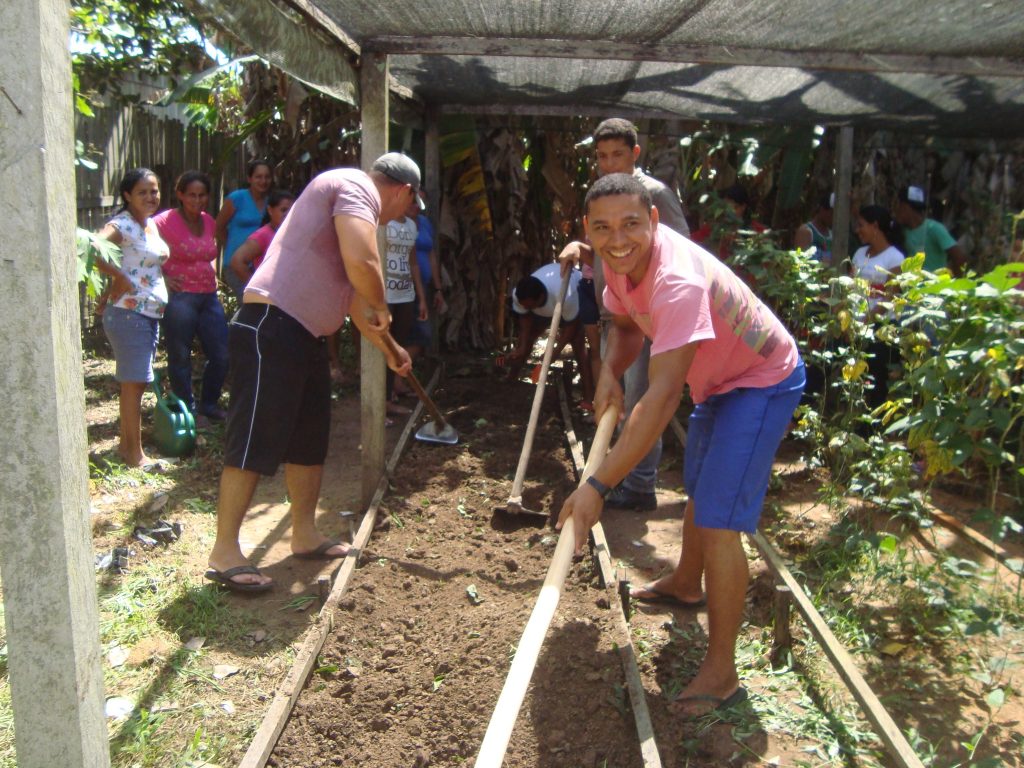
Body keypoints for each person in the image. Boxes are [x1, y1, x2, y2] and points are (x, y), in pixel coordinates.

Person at [557, 173, 804, 715]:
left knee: (720, 519)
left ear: (653, 220)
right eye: (602, 228)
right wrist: (610, 374)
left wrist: (597, 485)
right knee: (699, 485)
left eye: (629, 225)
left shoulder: (677, 279)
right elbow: (624, 327)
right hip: (718, 381)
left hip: (761, 378)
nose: (616, 239)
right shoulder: (617, 266)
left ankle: (721, 673)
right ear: (587, 230)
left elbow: (663, 396)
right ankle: (686, 584)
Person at [205, 153, 419, 592]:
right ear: (405, 191)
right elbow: (365, 269)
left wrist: (392, 350)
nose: (403, 216)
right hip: (272, 327)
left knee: (308, 441)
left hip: (304, 336)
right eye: (410, 207)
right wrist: (382, 305)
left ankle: (303, 533)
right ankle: (224, 550)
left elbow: (357, 304)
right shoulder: (354, 187)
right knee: (252, 438)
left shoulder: (347, 213)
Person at [560, 116, 691, 511]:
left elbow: (678, 250)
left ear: (636, 153)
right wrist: (580, 249)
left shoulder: (654, 195)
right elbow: (610, 247)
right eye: (602, 156)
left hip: (648, 316)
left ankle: (638, 485)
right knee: (615, 394)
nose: (610, 163)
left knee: (639, 401)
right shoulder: (604, 195)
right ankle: (624, 476)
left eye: (618, 154)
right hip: (615, 313)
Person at [92, 168, 170, 467]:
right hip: (129, 313)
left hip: (146, 312)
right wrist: (118, 277)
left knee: (136, 382)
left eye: (154, 191)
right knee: (134, 383)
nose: (150, 197)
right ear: (127, 196)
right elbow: (92, 249)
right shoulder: (122, 224)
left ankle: (128, 448)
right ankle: (134, 455)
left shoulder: (149, 224)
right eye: (143, 192)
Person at [153, 171, 229, 427]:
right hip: (180, 298)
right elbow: (141, 250)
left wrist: (214, 273)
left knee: (221, 353)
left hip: (208, 296)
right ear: (181, 195)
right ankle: (189, 410)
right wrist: (161, 278)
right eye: (192, 195)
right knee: (180, 356)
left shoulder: (209, 221)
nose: (197, 200)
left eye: (202, 195)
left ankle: (209, 404)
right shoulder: (163, 221)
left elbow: (211, 250)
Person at [507, 262, 594, 406]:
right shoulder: (520, 295)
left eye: (530, 306)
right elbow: (525, 317)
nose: (526, 308)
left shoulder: (566, 295)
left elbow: (570, 327)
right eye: (524, 306)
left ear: (540, 297)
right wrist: (522, 346)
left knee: (579, 349)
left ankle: (588, 398)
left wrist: (555, 352)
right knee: (526, 340)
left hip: (573, 303)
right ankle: (511, 378)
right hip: (546, 307)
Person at [851, 205, 905, 411]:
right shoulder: (859, 253)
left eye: (861, 225)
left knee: (875, 378)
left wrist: (867, 320)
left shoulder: (895, 258)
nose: (858, 230)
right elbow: (851, 284)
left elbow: (890, 298)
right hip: (856, 323)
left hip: (880, 326)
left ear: (875, 226)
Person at [384, 191, 428, 415]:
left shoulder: (411, 226)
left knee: (398, 345)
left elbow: (413, 264)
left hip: (405, 294)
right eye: (412, 203)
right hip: (385, 295)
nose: (416, 208)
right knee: (384, 345)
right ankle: (381, 399)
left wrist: (421, 298)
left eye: (418, 205)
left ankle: (389, 394)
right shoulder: (384, 223)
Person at [216, 159, 273, 299]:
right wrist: (232, 246)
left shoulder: (272, 202)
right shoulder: (236, 199)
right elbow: (218, 227)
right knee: (248, 301)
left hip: (261, 265)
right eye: (258, 177)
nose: (263, 181)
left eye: (267, 177)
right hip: (236, 263)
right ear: (249, 179)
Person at [894, 184, 966, 275]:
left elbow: (958, 257)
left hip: (933, 285)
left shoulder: (934, 228)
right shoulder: (901, 231)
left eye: (899, 205)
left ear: (905, 207)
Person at [229, 189, 296, 286]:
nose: (288, 214)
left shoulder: (292, 234)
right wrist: (257, 288)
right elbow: (237, 261)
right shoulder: (263, 235)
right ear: (270, 210)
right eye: (283, 210)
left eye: (292, 210)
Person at [793, 192, 834, 265]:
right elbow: (799, 260)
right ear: (822, 210)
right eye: (831, 213)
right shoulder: (805, 232)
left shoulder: (832, 235)